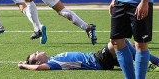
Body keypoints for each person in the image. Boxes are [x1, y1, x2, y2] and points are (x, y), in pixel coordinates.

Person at [18, 39, 159, 72]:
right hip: (98, 61)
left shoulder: (54, 58)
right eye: (36, 54)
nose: (38, 52)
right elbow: (37, 69)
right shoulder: (53, 64)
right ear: (38, 62)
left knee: (128, 46)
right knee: (116, 40)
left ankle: (152, 64)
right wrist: (24, 65)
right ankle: (153, 63)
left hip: (97, 57)